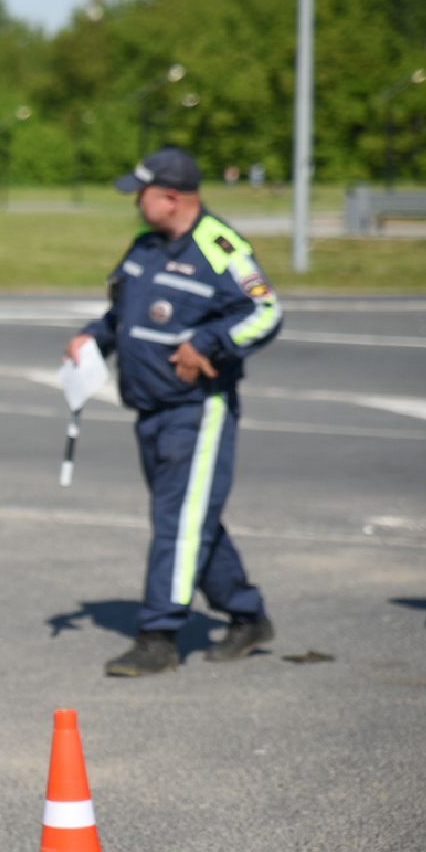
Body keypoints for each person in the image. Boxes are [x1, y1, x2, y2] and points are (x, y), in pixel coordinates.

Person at [65, 146, 283, 677]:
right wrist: (91, 339)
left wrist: (209, 343)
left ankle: (159, 635)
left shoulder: (220, 247)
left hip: (197, 409)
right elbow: (123, 313)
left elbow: (266, 311)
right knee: (190, 517)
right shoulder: (145, 247)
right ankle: (247, 614)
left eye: (141, 193)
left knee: (177, 521)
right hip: (149, 407)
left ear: (170, 196)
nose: (135, 202)